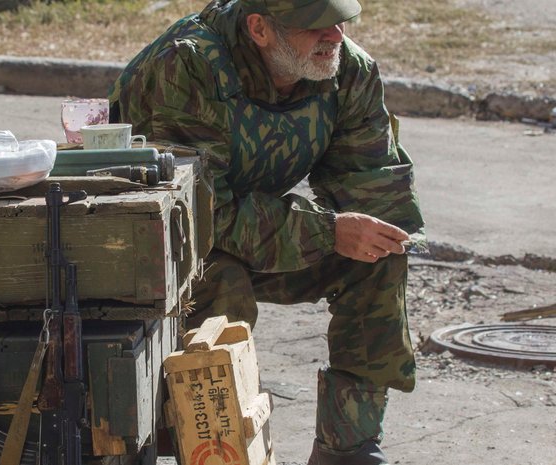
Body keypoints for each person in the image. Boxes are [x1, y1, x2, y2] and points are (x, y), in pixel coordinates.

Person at [109, 1, 425, 464]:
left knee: (377, 258)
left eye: (339, 22)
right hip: (162, 244)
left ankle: (349, 449)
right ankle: (207, 448)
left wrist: (386, 233)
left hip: (249, 228)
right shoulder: (188, 66)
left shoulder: (346, 69)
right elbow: (197, 212)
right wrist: (328, 231)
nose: (336, 36)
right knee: (223, 285)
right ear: (259, 28)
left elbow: (373, 181)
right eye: (316, 26)